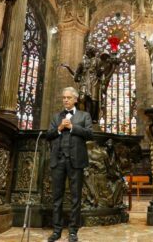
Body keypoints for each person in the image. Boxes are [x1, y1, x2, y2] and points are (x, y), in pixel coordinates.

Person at [46, 87, 93, 242]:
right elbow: (48, 135)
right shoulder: (55, 117)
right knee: (57, 197)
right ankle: (57, 230)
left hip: (76, 161)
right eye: (63, 97)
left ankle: (73, 230)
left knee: (75, 197)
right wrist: (59, 128)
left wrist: (72, 127)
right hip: (58, 161)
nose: (65, 100)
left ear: (75, 99)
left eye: (68, 97)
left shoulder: (84, 115)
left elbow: (89, 134)